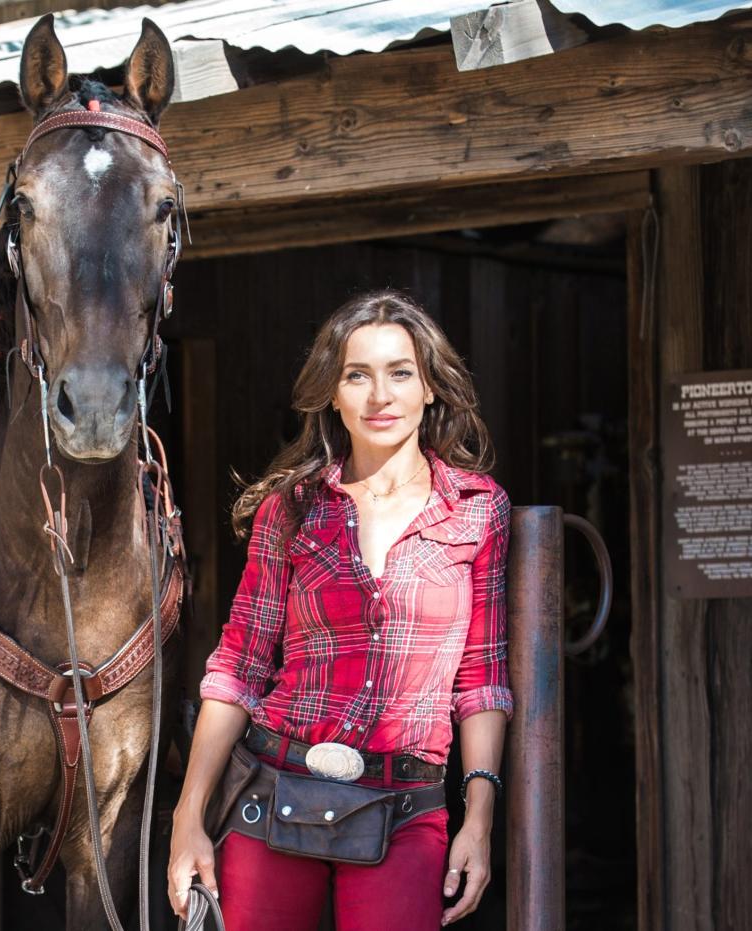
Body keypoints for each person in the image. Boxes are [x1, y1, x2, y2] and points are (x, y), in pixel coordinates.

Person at [167, 290, 513, 929]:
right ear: (333, 393)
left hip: (407, 805)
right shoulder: (292, 508)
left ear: (430, 388)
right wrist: (189, 818)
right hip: (273, 793)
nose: (380, 395)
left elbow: (481, 676)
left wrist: (480, 820)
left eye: (400, 373)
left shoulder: (477, 508)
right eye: (358, 375)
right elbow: (238, 665)